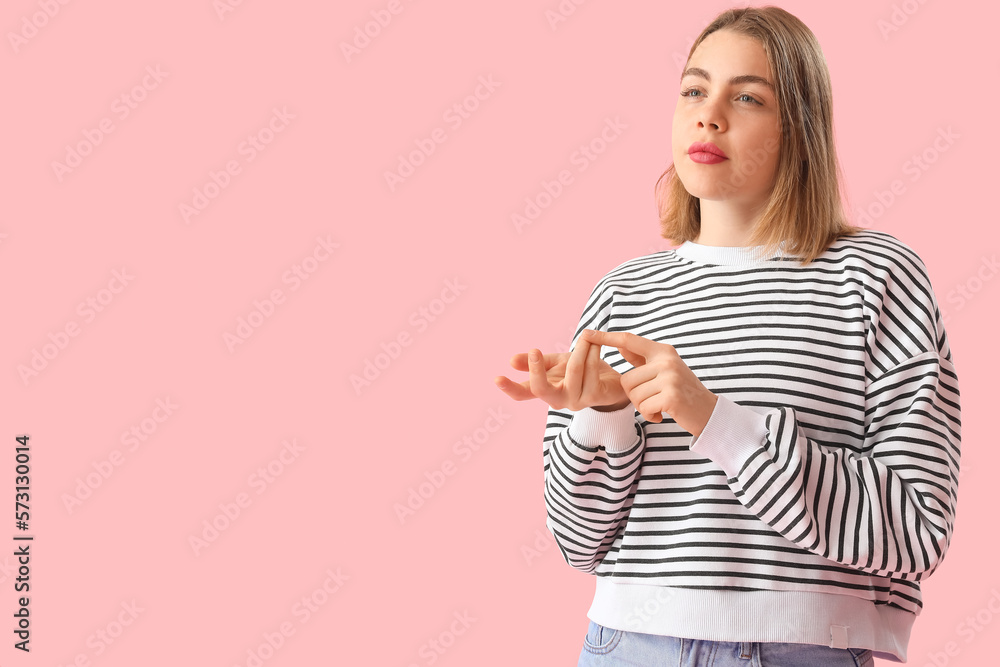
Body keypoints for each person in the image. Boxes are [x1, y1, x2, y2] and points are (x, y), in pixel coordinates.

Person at [494, 5, 961, 666]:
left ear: (800, 126)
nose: (708, 114)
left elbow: (916, 527)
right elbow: (578, 539)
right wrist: (604, 415)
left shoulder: (875, 277)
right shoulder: (623, 293)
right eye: (693, 90)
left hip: (805, 649)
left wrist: (716, 419)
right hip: (625, 646)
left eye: (746, 97)